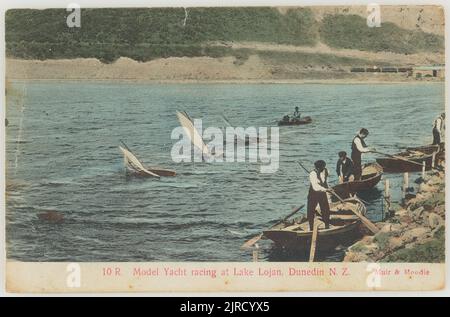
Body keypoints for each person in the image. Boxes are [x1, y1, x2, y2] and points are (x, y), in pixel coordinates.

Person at [307, 160, 330, 231]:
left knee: (325, 209)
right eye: (322, 168)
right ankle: (311, 227)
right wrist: (325, 189)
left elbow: (325, 182)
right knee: (311, 210)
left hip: (322, 193)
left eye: (324, 167)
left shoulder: (326, 171)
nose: (323, 169)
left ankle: (327, 225)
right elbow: (315, 187)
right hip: (313, 193)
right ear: (318, 168)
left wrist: (328, 188)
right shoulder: (312, 174)